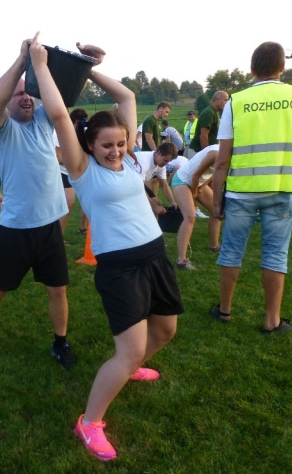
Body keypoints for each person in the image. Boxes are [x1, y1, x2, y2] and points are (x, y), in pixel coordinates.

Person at [28, 33, 183, 461]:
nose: (115, 151)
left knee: (165, 330)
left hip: (154, 256)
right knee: (128, 350)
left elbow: (127, 96)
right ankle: (90, 422)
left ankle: (128, 370)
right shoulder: (83, 169)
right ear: (89, 146)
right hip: (121, 268)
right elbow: (58, 114)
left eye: (120, 143)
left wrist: (91, 69)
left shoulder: (131, 158)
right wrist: (41, 65)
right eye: (107, 145)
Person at [0, 38, 76, 368]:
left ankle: (60, 342)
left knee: (57, 290)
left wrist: (86, 63)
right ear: (9, 102)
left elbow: (63, 95)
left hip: (50, 227)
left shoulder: (44, 117)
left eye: (28, 92)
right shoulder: (2, 128)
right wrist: (22, 61)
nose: (26, 97)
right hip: (17, 228)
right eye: (18, 94)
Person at [211, 41, 292, 333]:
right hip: (283, 189)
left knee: (231, 251)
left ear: (252, 69)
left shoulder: (236, 101)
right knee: (275, 255)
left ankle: (224, 311)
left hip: (240, 191)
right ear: (282, 67)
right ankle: (272, 321)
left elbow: (222, 160)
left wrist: (217, 200)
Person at [171, 145, 221, 270]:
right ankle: (181, 260)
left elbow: (214, 172)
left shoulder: (232, 155)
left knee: (217, 212)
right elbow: (196, 175)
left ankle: (214, 246)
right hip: (182, 180)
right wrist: (194, 193)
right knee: (190, 217)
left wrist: (202, 187)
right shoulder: (215, 153)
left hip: (197, 182)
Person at [54, 108, 89, 239]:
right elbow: (58, 158)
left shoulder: (82, 134)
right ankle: (57, 238)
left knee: (88, 200)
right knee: (69, 203)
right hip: (63, 172)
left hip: (78, 172)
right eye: (78, 124)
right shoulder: (62, 134)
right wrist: (73, 161)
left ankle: (83, 227)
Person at [134, 144, 178, 211]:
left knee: (157, 203)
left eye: (168, 161)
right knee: (146, 207)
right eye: (165, 160)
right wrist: (154, 207)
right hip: (128, 183)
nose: (166, 164)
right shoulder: (144, 162)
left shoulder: (161, 166)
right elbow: (139, 188)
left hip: (138, 184)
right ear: (158, 153)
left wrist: (172, 202)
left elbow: (164, 185)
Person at [188, 91, 229, 158]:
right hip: (197, 152)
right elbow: (203, 137)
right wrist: (207, 155)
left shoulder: (215, 112)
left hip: (204, 151)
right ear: (216, 99)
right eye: (225, 100)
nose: (226, 102)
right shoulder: (209, 113)